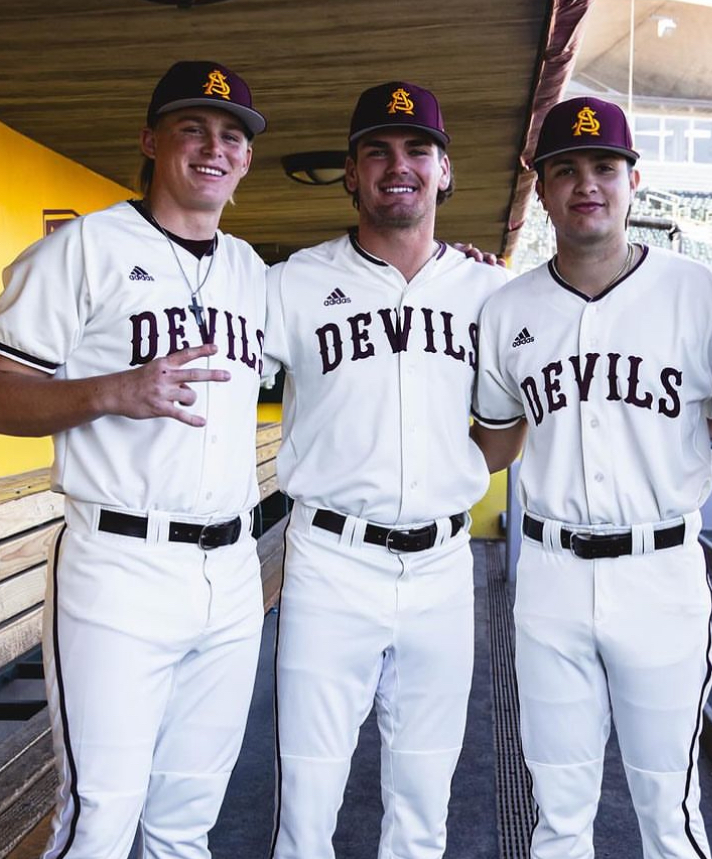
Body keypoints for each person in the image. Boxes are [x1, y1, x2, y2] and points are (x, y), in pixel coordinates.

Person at [0, 61, 274, 859]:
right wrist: (113, 390)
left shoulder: (251, 272)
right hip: (117, 565)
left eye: (232, 135)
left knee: (186, 824)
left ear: (245, 159)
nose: (215, 147)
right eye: (192, 128)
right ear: (150, 140)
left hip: (233, 567)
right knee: (100, 819)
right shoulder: (85, 248)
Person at [471, 96, 712, 859]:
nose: (587, 183)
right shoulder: (505, 306)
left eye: (604, 167)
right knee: (558, 811)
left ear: (633, 180)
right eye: (565, 169)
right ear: (540, 188)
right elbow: (493, 437)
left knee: (669, 810)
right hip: (548, 573)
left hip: (661, 571)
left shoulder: (700, 292)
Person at [264, 81, 509, 859]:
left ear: (444, 171)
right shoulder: (293, 282)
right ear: (350, 171)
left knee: (423, 796)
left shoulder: (489, 291)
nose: (396, 165)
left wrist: (450, 470)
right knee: (308, 796)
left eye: (416, 151)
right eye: (377, 151)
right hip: (330, 559)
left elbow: (504, 431)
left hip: (441, 564)